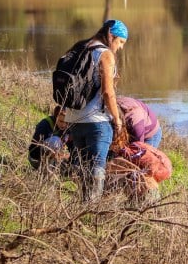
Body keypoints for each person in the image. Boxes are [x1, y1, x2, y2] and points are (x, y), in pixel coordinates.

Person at [63, 19, 128, 202]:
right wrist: (117, 119)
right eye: (120, 41)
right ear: (111, 36)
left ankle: (83, 207)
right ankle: (93, 210)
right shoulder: (105, 54)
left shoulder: (80, 48)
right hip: (97, 123)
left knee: (84, 168)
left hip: (74, 120)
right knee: (97, 169)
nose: (121, 47)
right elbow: (108, 92)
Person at [29, 105, 69, 172]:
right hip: (37, 159)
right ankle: (46, 171)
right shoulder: (45, 124)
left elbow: (73, 149)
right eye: (61, 121)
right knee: (55, 141)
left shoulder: (70, 129)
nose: (64, 125)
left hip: (57, 159)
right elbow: (33, 150)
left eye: (67, 122)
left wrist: (64, 156)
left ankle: (55, 171)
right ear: (55, 117)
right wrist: (50, 153)